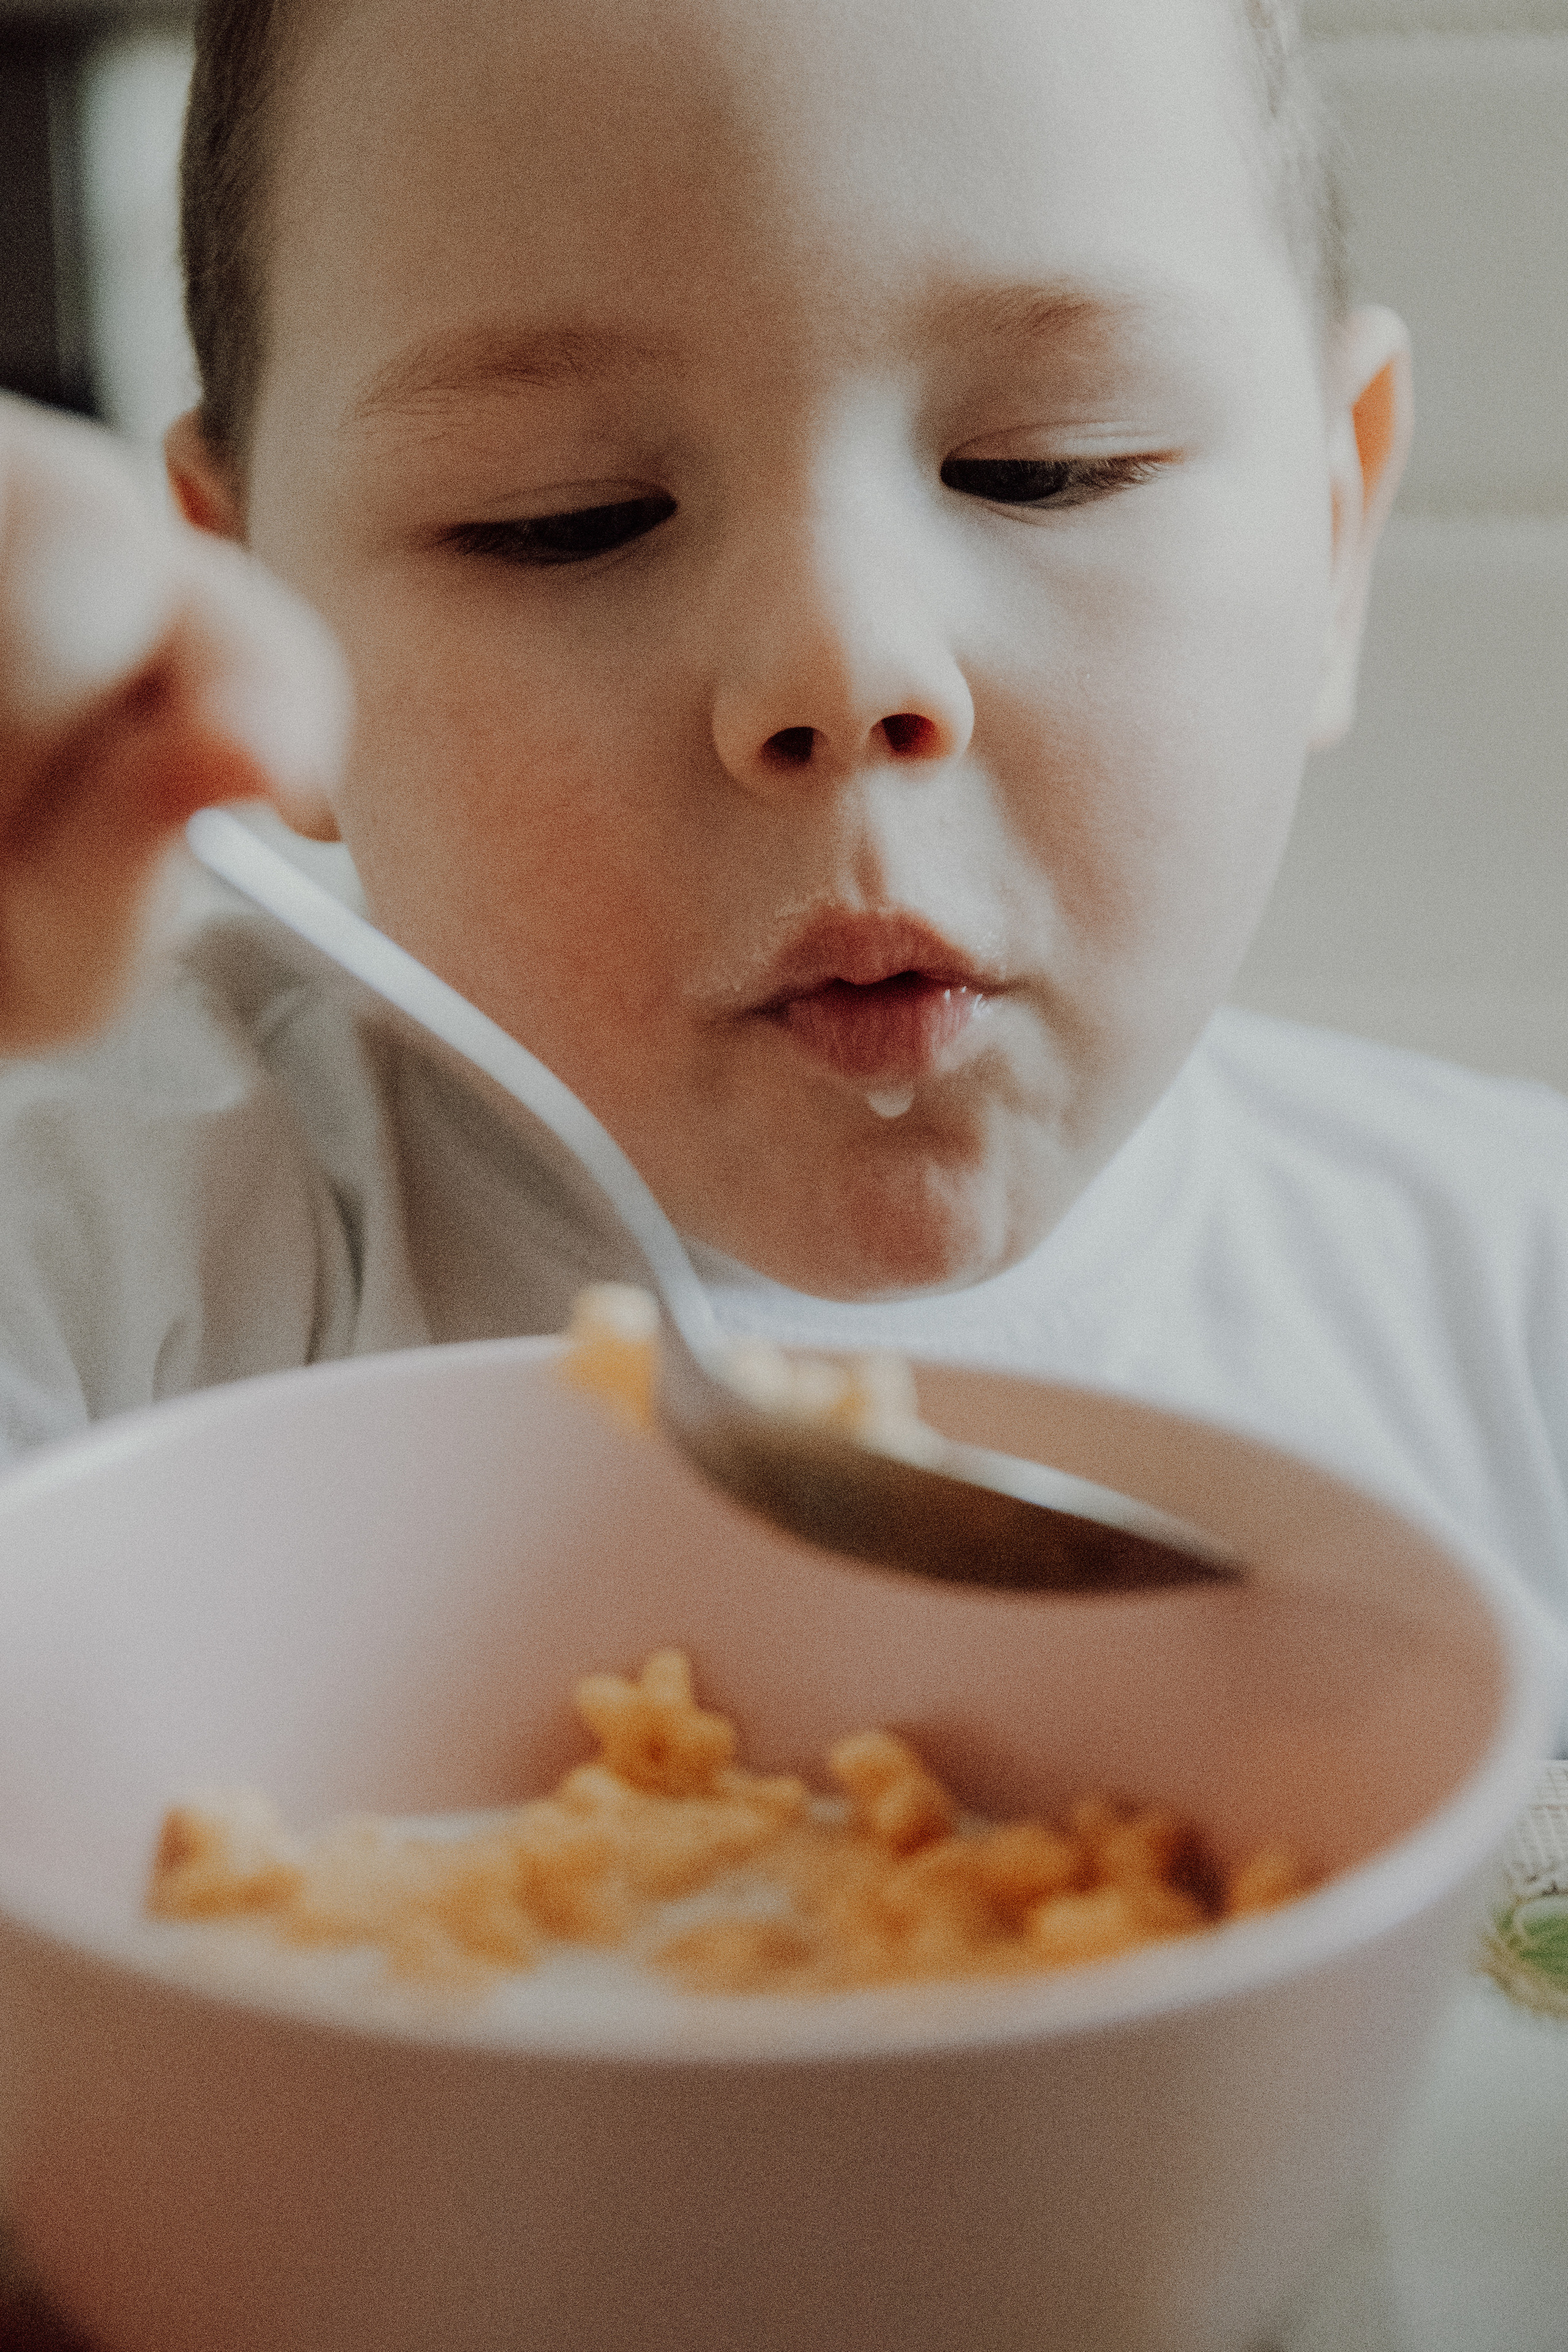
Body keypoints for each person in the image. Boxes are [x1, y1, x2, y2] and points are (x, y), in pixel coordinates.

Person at [0, 0, 1564, 1659]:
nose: (845, 663)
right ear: (261, 605)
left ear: (1335, 537)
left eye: (1049, 469)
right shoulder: (97, 1265)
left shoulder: (1526, 1316)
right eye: (563, 522)